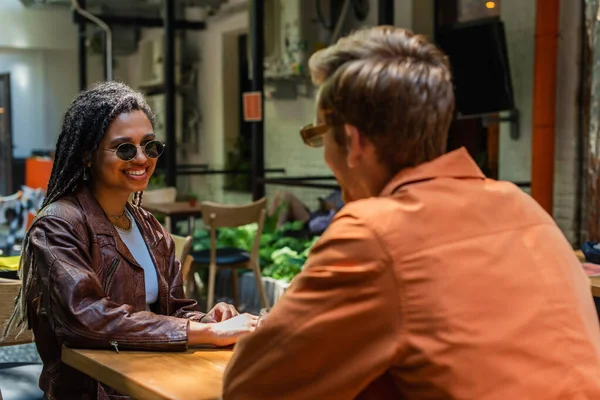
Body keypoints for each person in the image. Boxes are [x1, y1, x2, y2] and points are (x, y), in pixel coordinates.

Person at [223, 27, 600, 399]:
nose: (323, 154)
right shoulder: (523, 206)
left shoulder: (374, 233)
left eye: (319, 135)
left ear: (353, 142)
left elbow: (250, 387)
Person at [2, 82, 258, 399]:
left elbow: (175, 311)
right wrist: (206, 332)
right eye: (125, 148)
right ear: (87, 156)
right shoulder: (58, 225)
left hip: (155, 380)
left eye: (149, 146)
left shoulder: (148, 226)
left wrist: (210, 320)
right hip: (93, 391)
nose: (141, 158)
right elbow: (86, 320)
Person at [267, 190, 344, 234]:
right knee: (280, 195)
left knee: (286, 196)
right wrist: (324, 204)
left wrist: (333, 209)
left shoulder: (351, 197)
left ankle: (276, 231)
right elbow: (323, 206)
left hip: (314, 222)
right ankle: (268, 228)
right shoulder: (339, 191)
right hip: (315, 214)